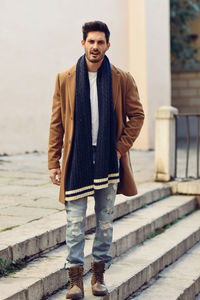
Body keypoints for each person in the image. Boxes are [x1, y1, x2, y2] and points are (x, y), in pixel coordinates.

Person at [48, 20, 144, 299]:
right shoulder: (65, 78)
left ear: (107, 46)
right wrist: (53, 161)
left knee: (105, 221)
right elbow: (57, 123)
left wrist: (118, 148)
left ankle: (98, 277)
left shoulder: (121, 78)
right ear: (83, 44)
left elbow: (137, 116)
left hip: (106, 159)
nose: (95, 47)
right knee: (75, 223)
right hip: (77, 158)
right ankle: (75, 281)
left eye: (100, 42)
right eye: (91, 41)